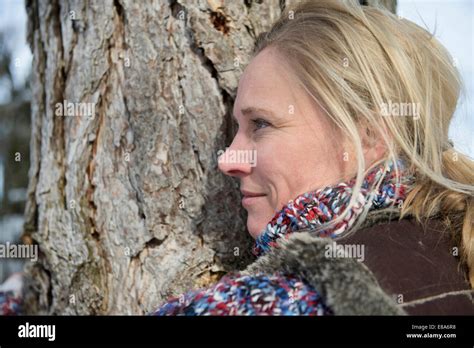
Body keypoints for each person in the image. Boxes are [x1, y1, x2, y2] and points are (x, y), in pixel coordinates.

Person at [2, 0, 473, 316]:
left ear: (368, 137)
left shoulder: (289, 301)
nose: (228, 159)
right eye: (234, 130)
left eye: (261, 125)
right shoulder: (444, 259)